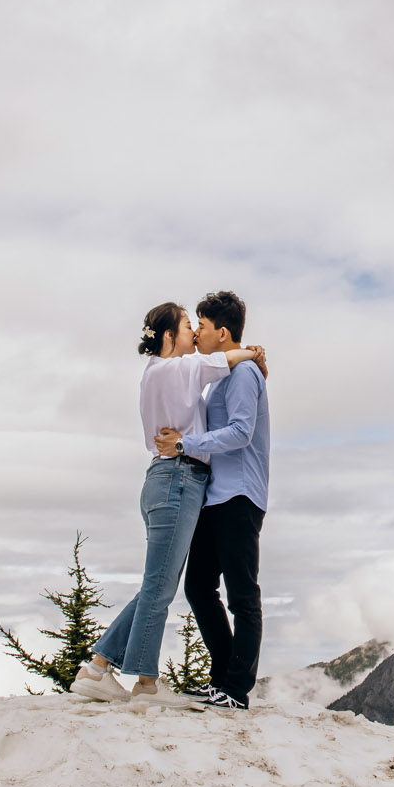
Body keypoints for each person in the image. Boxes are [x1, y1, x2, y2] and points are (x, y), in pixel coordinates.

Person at [73, 301, 263, 705]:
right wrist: (254, 352)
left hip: (173, 478)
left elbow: (226, 381)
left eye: (201, 325)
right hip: (179, 478)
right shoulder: (177, 369)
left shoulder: (162, 375)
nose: (195, 332)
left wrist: (247, 357)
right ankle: (143, 682)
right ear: (168, 337)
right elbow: (223, 360)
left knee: (160, 584)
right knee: (163, 586)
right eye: (188, 326)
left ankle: (99, 665)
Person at [159, 290, 269, 711]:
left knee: (243, 596)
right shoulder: (228, 372)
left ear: (221, 333)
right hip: (216, 496)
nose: (198, 334)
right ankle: (222, 678)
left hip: (239, 495)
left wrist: (184, 444)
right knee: (199, 587)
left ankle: (237, 690)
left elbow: (241, 431)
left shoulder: (243, 376)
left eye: (201, 327)